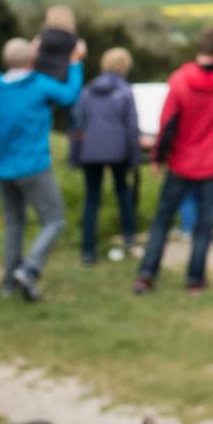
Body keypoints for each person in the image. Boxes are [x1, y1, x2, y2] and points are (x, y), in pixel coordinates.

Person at [134, 26, 213, 295]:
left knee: (162, 220)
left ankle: (146, 275)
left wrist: (157, 156)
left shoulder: (180, 79)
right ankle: (194, 280)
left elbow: (167, 122)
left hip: (180, 162)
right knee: (204, 224)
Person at [0, 35, 83, 301]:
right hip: (33, 166)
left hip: (2, 167)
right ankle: (30, 270)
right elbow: (69, 96)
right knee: (54, 220)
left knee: (14, 224)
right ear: (30, 59)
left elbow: (17, 66)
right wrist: (75, 63)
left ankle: (9, 283)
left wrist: (28, 53)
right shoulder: (38, 85)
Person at [73, 47, 142, 264]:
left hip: (90, 151)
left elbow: (78, 125)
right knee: (123, 193)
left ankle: (88, 251)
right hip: (118, 151)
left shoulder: (87, 90)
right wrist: (135, 157)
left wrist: (76, 156)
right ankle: (129, 238)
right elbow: (131, 127)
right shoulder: (125, 91)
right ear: (124, 67)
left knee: (92, 198)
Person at [32, 3, 77, 82]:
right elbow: (75, 64)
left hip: (40, 81)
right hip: (63, 82)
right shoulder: (73, 43)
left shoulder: (40, 40)